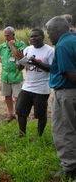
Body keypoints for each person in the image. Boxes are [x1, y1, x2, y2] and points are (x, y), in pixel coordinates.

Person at [46, 16, 76, 180]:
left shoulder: (62, 45)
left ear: (57, 30)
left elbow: (70, 75)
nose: (48, 35)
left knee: (64, 130)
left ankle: (70, 169)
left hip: (66, 93)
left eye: (49, 32)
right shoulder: (74, 39)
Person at [16, 29, 54, 137]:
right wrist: (21, 60)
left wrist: (36, 63)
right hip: (27, 86)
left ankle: (39, 136)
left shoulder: (49, 51)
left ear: (42, 37)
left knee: (40, 114)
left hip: (42, 88)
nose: (33, 38)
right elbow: (20, 68)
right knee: (20, 111)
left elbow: (51, 68)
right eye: (31, 37)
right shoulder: (28, 49)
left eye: (36, 36)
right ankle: (22, 134)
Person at [0, 26, 26, 122]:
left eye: (8, 35)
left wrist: (12, 46)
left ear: (13, 35)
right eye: (5, 36)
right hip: (5, 76)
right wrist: (1, 61)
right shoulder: (3, 46)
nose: (6, 37)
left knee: (17, 97)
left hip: (16, 75)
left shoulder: (20, 44)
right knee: (7, 96)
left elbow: (19, 57)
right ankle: (11, 114)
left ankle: (18, 113)